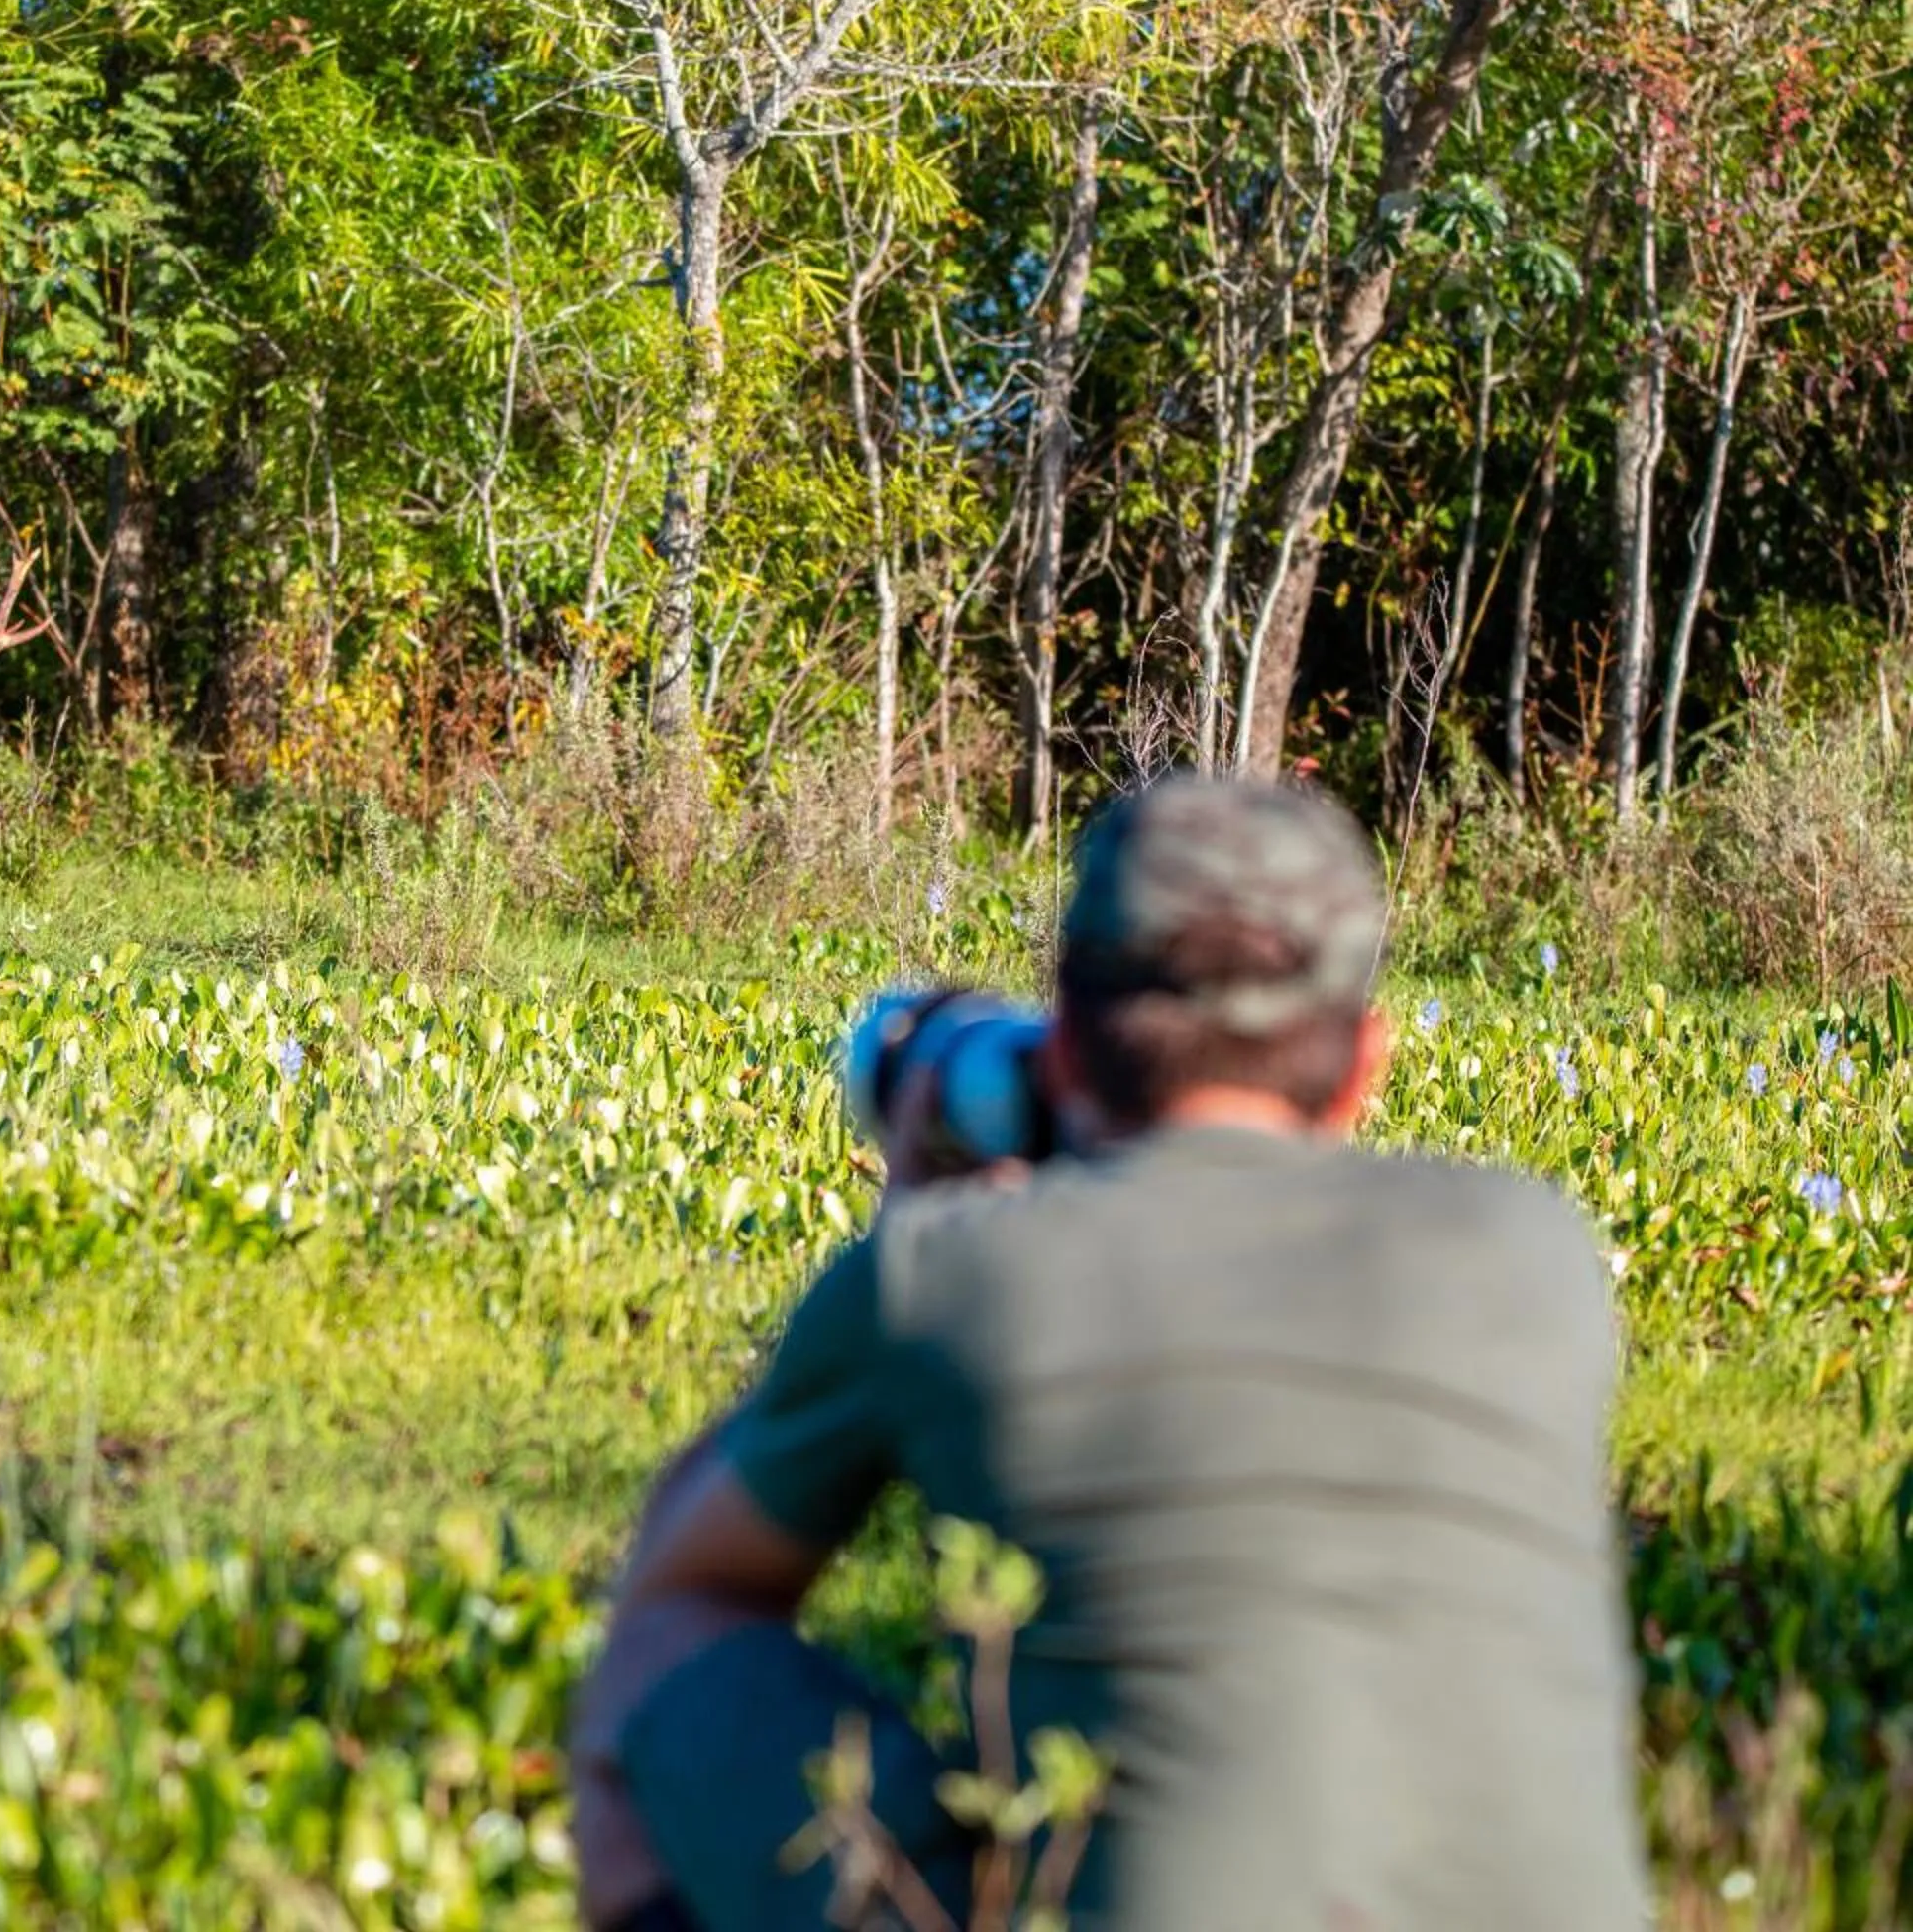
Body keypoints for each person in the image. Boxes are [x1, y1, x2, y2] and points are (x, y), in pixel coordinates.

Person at [566, 775, 1648, 1932]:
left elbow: (685, 1582)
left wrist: (919, 1221)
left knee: (666, 1660)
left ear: (1067, 1049)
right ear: (1365, 1065)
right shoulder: (1537, 1248)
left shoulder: (953, 1272)